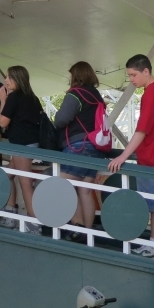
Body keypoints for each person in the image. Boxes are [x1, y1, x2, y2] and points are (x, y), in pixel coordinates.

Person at [107, 54, 154, 258]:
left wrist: (123, 156)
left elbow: (142, 129)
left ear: (145, 71)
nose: (131, 79)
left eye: (133, 75)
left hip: (153, 155)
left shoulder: (150, 94)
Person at [53, 61, 108, 236]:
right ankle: (88, 232)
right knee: (85, 190)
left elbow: (61, 119)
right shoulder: (96, 95)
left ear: (76, 75)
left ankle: (77, 226)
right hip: (95, 148)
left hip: (78, 146)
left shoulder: (75, 94)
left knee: (62, 184)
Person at [0, 65, 42, 229]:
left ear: (17, 78)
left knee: (25, 183)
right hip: (31, 143)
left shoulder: (14, 97)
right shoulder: (33, 97)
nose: (6, 80)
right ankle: (11, 214)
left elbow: (2, 122)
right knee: (7, 176)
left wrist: (3, 99)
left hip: (21, 145)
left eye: (9, 77)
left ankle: (34, 224)